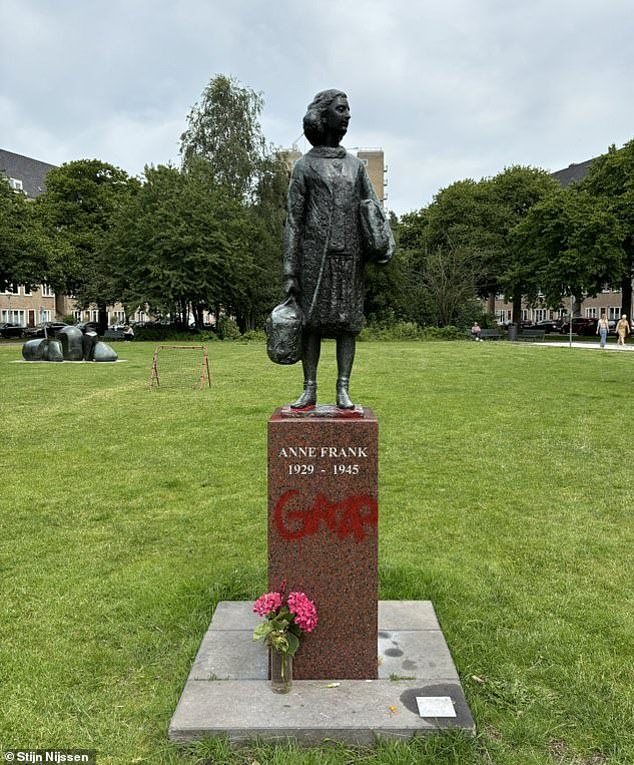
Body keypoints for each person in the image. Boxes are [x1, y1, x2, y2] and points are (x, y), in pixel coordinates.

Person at [283, 89, 395, 409]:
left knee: (348, 325)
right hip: (313, 259)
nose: (347, 115)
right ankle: (310, 387)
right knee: (312, 325)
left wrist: (382, 241)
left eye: (348, 110)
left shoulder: (357, 167)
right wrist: (290, 271)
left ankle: (343, 387)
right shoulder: (305, 167)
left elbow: (373, 208)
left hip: (350, 257)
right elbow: (294, 220)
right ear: (324, 114)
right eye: (341, 109)